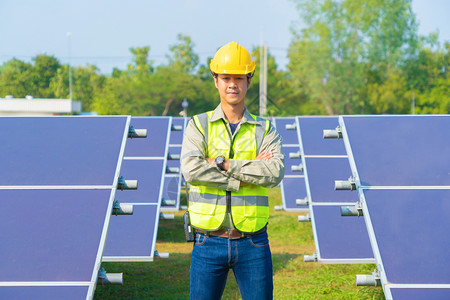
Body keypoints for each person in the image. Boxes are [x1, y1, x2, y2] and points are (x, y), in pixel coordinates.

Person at [180, 41, 285, 300]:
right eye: (226, 77)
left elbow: (274, 172)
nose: (232, 84)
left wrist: (223, 163)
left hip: (253, 242)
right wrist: (243, 177)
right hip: (207, 242)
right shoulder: (198, 125)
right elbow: (192, 170)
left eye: (239, 78)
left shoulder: (265, 129)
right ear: (215, 80)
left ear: (249, 81)